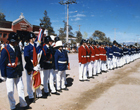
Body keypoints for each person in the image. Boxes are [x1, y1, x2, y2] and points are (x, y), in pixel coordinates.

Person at [0, 32, 29, 110]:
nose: (16, 43)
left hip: (17, 71)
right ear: (11, 41)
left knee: (21, 88)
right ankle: (12, 106)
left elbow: (19, 60)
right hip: (9, 72)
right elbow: (2, 64)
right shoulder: (5, 50)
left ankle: (23, 104)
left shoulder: (17, 48)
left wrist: (21, 69)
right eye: (15, 41)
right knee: (10, 91)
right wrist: (3, 75)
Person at [24, 32, 43, 102]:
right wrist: (32, 66)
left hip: (36, 64)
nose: (35, 39)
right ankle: (30, 95)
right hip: (30, 65)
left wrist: (38, 64)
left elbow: (39, 54)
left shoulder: (36, 46)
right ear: (30, 39)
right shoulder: (27, 47)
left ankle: (39, 93)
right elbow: (26, 58)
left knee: (37, 78)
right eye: (33, 38)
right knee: (29, 81)